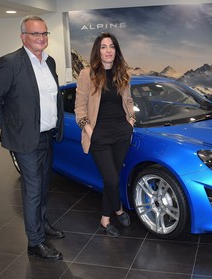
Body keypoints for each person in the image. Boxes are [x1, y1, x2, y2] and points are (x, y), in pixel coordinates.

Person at [0, 15, 64, 260]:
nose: (41, 38)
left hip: (47, 136)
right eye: (35, 34)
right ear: (23, 37)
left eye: (44, 34)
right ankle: (35, 242)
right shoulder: (10, 62)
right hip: (25, 140)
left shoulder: (49, 62)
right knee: (31, 190)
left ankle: (42, 224)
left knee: (43, 186)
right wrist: (12, 127)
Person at [74, 32, 135, 238]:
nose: (108, 50)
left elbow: (128, 101)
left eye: (111, 46)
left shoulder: (123, 73)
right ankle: (108, 216)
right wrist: (91, 132)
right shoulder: (86, 74)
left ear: (116, 50)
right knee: (111, 180)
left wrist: (131, 122)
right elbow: (80, 108)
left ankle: (115, 210)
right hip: (99, 134)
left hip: (121, 132)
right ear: (97, 51)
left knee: (114, 178)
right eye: (103, 46)